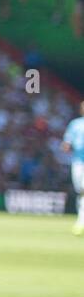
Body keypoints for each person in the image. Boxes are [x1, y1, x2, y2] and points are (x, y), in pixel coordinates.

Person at [63, 101, 84, 236]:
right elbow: (66, 144)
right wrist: (67, 146)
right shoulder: (75, 124)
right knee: (80, 190)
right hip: (78, 162)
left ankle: (81, 221)